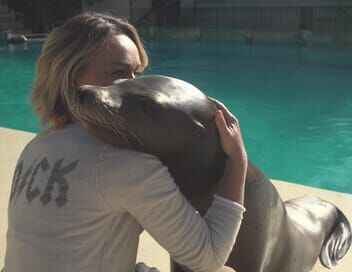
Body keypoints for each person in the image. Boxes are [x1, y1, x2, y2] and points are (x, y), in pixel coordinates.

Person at [4, 12, 247, 272]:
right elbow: (208, 257)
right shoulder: (123, 162)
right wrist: (238, 162)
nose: (134, 85)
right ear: (74, 75)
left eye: (136, 74)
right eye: (118, 73)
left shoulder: (38, 145)